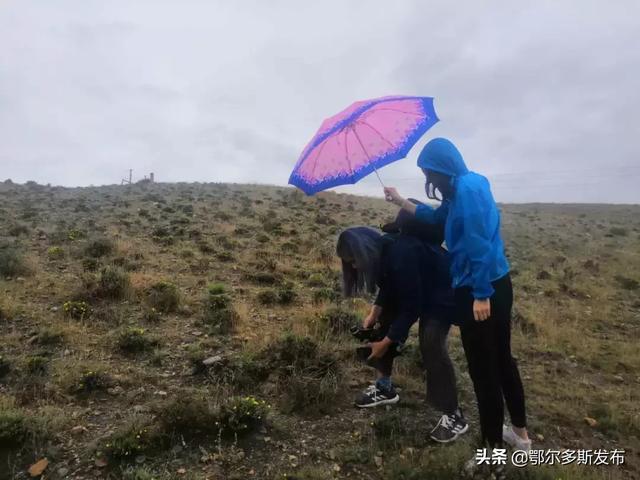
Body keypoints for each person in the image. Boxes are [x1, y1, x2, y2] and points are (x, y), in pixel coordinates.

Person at [383, 138, 531, 457]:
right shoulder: (464, 187)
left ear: (441, 168)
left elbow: (478, 244)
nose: (428, 180)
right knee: (502, 360)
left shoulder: (467, 191)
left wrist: (480, 294)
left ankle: (491, 454)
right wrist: (400, 202)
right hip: (494, 283)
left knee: (484, 371)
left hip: (480, 290)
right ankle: (520, 435)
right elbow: (437, 219)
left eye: (429, 172)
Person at [336, 206, 469, 443]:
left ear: (365, 250)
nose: (354, 267)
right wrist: (374, 314)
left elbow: (412, 307)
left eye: (354, 261)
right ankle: (384, 387)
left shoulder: (401, 253)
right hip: (417, 289)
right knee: (384, 325)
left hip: (444, 293)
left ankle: (454, 415)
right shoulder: (384, 250)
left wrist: (387, 342)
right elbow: (391, 285)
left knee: (431, 345)